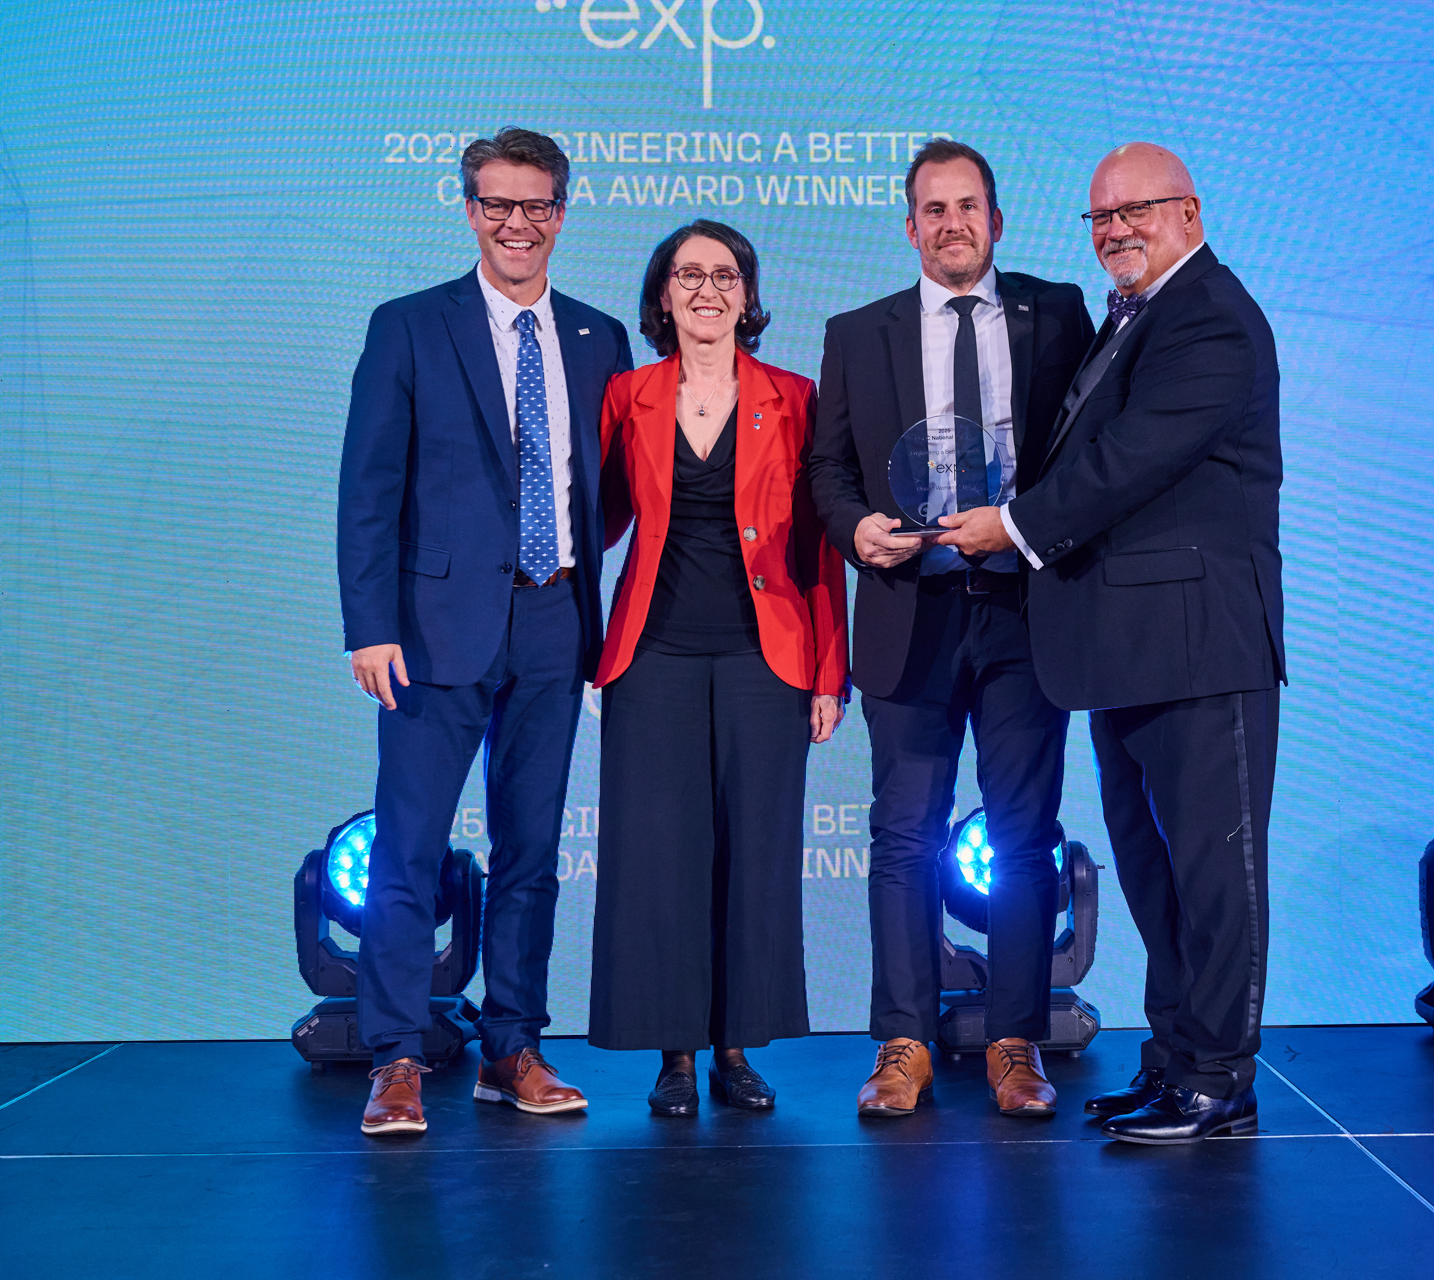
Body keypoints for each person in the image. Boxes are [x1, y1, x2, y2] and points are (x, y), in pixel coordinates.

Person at [936, 142, 1285, 1144]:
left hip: (1201, 646)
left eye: (1136, 210)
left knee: (1217, 875)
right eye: (1099, 217)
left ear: (1189, 211)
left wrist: (1013, 523)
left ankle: (1220, 1073)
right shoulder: (1135, 317)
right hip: (1129, 647)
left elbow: (1131, 461)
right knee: (1156, 875)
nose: (1116, 231)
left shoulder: (1211, 313)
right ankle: (1177, 1058)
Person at [337, 127, 633, 1137]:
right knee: (410, 849)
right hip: (429, 630)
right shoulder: (409, 326)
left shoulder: (599, 339)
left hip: (556, 617)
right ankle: (396, 1055)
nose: (517, 222)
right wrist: (369, 624)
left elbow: (614, 491)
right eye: (496, 203)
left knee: (532, 850)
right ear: (469, 209)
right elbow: (368, 490)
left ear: (562, 210)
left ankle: (513, 1046)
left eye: (536, 203)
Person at [808, 140, 1095, 1118]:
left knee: (1023, 838)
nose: (951, 223)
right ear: (909, 227)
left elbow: (1091, 452)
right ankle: (903, 1041)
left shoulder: (1057, 313)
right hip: (908, 616)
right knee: (904, 837)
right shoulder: (858, 332)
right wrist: (856, 529)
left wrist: (1023, 527)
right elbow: (826, 469)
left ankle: (1017, 1039)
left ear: (997, 220)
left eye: (967, 205)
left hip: (1025, 615)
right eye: (932, 209)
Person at [587, 220, 849, 1116]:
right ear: (662, 294)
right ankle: (674, 1058)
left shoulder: (796, 396)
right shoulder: (627, 395)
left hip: (764, 656)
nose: (707, 289)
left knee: (754, 857)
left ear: (749, 293)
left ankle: (736, 1050)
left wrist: (827, 673)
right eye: (688, 274)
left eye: (725, 274)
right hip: (651, 656)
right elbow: (602, 523)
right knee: (659, 860)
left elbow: (820, 548)